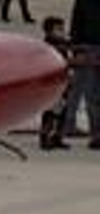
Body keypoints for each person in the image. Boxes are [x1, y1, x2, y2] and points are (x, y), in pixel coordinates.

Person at [65, 0, 100, 149]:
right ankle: (96, 134)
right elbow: (76, 23)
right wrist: (75, 48)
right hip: (88, 48)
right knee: (90, 94)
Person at [39, 16, 73, 150]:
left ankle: (57, 137)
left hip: (63, 81)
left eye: (62, 28)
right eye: (58, 29)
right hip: (52, 83)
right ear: (49, 31)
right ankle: (45, 137)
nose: (62, 31)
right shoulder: (48, 45)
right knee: (50, 112)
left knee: (62, 111)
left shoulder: (63, 43)